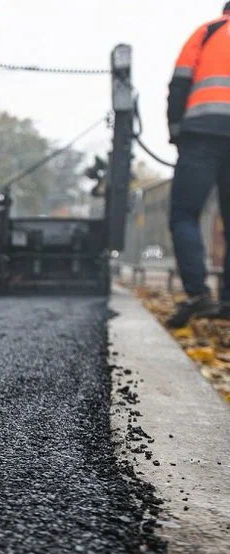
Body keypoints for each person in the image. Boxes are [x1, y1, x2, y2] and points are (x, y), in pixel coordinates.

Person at [165, 2, 230, 328]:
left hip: (201, 136)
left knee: (184, 214)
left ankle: (198, 293)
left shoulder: (208, 31)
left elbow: (179, 82)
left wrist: (177, 133)